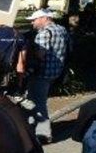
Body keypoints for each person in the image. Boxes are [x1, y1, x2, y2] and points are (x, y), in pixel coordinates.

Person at [23, 8, 69, 143]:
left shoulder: (43, 33)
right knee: (37, 101)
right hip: (56, 72)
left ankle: (43, 135)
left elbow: (40, 56)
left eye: (34, 20)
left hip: (41, 73)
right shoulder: (61, 30)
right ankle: (34, 129)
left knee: (37, 103)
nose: (32, 23)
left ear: (44, 18)